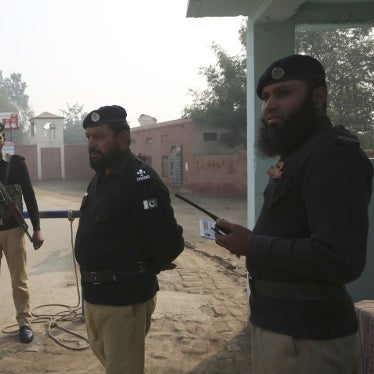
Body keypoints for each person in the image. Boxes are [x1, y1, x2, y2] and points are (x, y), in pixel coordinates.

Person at [214, 54, 373, 373]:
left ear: (318, 96)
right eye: (266, 97)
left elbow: (338, 257)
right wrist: (247, 239)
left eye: (284, 93)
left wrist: (252, 245)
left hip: (307, 339)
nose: (270, 105)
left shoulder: (333, 156)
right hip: (281, 328)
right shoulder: (301, 154)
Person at [74, 105, 184, 373]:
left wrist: (146, 265)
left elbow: (168, 242)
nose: (91, 144)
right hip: (95, 296)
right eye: (88, 136)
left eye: (99, 136)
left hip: (123, 300)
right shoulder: (100, 179)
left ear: (123, 138)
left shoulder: (141, 181)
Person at [0, 123, 44, 343]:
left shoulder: (16, 164)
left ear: (2, 139)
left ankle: (24, 323)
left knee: (19, 279)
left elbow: (29, 195)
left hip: (13, 230)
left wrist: (37, 228)